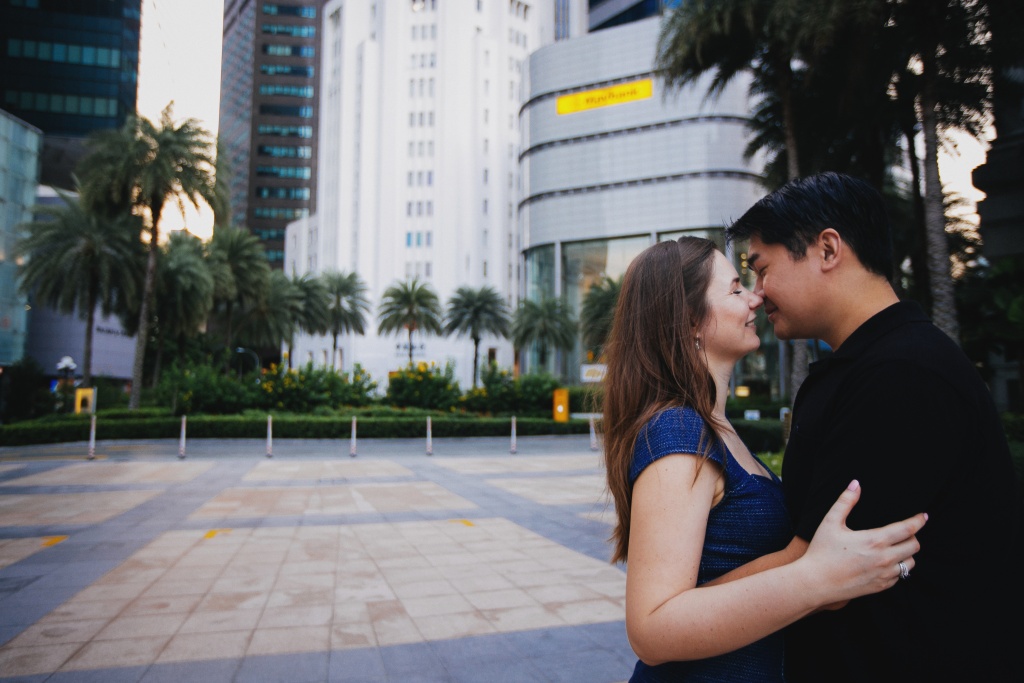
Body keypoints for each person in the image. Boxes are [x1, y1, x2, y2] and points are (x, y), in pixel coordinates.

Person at [725, 171, 1023, 682]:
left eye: (761, 269)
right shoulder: (875, 364)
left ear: (827, 249)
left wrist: (675, 613)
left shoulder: (902, 374)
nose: (756, 295)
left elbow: (820, 573)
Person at [602, 236, 927, 682]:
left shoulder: (713, 427)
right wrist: (816, 578)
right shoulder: (678, 429)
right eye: (736, 289)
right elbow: (651, 628)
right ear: (690, 320)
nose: (755, 298)